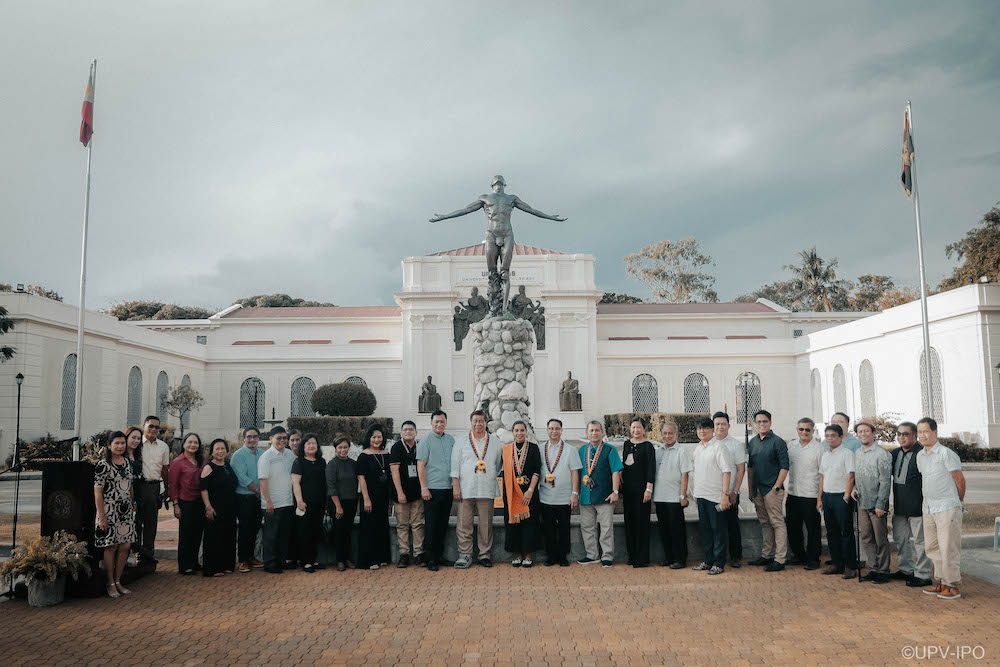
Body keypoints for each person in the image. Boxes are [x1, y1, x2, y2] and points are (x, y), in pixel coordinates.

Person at [916, 417, 966, 600]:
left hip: (947, 507)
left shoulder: (946, 454)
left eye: (925, 431)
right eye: (919, 432)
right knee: (932, 547)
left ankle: (952, 586)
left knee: (948, 548)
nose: (922, 435)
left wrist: (957, 503)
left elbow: (959, 480)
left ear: (935, 432)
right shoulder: (920, 456)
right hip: (929, 508)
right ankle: (939, 582)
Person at [451, 410, 502, 568]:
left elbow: (498, 464)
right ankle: (465, 554)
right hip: (466, 489)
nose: (478, 424)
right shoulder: (461, 441)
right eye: (475, 421)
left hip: (486, 489)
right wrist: (456, 486)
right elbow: (455, 465)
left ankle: (484, 554)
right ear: (471, 422)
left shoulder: (495, 441)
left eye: (481, 421)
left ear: (486, 423)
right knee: (464, 523)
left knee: (485, 524)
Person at [94, 431, 137, 598]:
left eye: (122, 443)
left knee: (125, 546)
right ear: (109, 446)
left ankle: (118, 581)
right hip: (109, 511)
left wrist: (132, 505)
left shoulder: (127, 462)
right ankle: (110, 583)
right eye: (116, 443)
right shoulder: (103, 465)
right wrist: (101, 516)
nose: (120, 446)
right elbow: (98, 493)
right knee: (111, 546)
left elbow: (130, 485)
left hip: (125, 512)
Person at [890, 422, 933, 587]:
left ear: (914, 436)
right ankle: (905, 569)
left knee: (921, 542)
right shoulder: (894, 454)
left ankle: (922, 574)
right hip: (900, 507)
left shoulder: (922, 454)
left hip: (918, 507)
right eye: (899, 434)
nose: (902, 437)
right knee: (901, 540)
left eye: (906, 434)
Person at [747, 410, 789, 572]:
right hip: (758, 490)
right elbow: (750, 468)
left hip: (773, 490)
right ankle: (767, 555)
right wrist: (751, 490)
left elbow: (785, 467)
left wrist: (776, 488)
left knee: (777, 523)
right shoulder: (753, 442)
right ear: (755, 424)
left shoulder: (778, 442)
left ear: (770, 423)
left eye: (765, 421)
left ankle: (780, 559)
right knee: (765, 523)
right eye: (759, 422)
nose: (762, 424)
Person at [577, 421, 623, 567]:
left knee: (606, 527)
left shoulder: (610, 450)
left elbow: (616, 471)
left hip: (605, 495)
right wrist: (575, 492)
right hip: (586, 496)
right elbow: (576, 473)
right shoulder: (581, 450)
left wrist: (615, 492)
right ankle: (592, 555)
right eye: (591, 430)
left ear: (602, 432)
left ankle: (607, 556)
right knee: (587, 526)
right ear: (587, 432)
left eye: (597, 430)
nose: (594, 433)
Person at [852, 420, 892, 583]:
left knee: (880, 538)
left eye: (866, 431)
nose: (863, 434)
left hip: (877, 504)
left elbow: (885, 481)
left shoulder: (882, 454)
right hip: (862, 502)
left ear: (873, 433)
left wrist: (881, 504)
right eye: (860, 432)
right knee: (866, 536)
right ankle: (873, 567)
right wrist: (854, 488)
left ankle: (883, 570)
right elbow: (856, 475)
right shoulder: (857, 453)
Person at [537, 418, 582, 567]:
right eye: (551, 428)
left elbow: (575, 472)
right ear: (547, 430)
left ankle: (563, 556)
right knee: (548, 528)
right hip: (545, 497)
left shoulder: (570, 450)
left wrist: (574, 493)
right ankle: (551, 556)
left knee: (564, 528)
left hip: (564, 497)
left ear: (562, 431)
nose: (554, 431)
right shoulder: (540, 448)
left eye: (557, 428)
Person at [692, 417, 733, 575]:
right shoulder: (698, 448)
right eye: (700, 429)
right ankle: (708, 561)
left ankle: (719, 563)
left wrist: (725, 495)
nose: (702, 431)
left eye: (706, 428)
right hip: (701, 496)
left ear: (712, 430)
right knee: (706, 530)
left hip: (716, 496)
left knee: (719, 531)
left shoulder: (719, 447)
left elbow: (726, 472)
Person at [417, 410, 456, 571]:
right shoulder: (425, 441)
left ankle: (439, 556)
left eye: (442, 421)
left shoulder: (451, 440)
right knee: (431, 525)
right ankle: (430, 558)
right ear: (431, 423)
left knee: (442, 524)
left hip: (447, 489)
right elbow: (421, 466)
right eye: (436, 422)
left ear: (446, 422)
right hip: (432, 489)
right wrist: (424, 487)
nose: (439, 424)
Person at [817, 424, 857, 578]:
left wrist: (847, 495)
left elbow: (851, 475)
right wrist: (819, 499)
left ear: (841, 437)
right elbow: (822, 477)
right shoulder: (826, 455)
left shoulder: (847, 453)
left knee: (845, 532)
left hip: (842, 497)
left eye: (833, 435)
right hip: (827, 497)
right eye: (827, 436)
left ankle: (850, 566)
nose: (830, 439)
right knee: (831, 532)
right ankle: (837, 564)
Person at [501, 421, 542, 566]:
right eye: (516, 430)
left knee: (530, 524)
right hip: (512, 494)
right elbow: (504, 472)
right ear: (513, 432)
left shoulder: (533, 448)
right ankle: (517, 554)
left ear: (526, 432)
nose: (519, 433)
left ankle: (529, 556)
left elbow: (537, 470)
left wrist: (530, 490)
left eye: (522, 430)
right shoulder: (506, 450)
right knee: (513, 524)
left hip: (528, 493)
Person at [785, 417, 824, 570]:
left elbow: (822, 474)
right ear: (797, 430)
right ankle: (799, 556)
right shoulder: (792, 446)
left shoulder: (819, 449)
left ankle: (814, 559)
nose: (804, 432)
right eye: (801, 429)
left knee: (813, 529)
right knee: (793, 527)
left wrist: (820, 497)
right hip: (794, 493)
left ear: (813, 431)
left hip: (811, 495)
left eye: (808, 429)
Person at [653, 422, 692, 569]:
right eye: (665, 433)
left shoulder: (682, 451)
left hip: (675, 498)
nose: (667, 436)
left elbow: (685, 475)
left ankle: (680, 559)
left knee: (677, 530)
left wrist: (683, 496)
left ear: (676, 434)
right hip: (659, 497)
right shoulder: (658, 451)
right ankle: (668, 557)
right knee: (664, 530)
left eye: (670, 433)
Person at [258, 426, 295, 573]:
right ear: (270, 439)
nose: (282, 441)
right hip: (272, 503)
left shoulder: (290, 455)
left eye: (284, 438)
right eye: (278, 438)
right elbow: (263, 481)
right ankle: (270, 563)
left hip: (288, 501)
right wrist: (268, 501)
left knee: (284, 534)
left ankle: (281, 561)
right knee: (271, 535)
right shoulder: (266, 457)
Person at [712, 411, 746, 568]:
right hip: (712, 494)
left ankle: (735, 556)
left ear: (728, 426)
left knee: (732, 525)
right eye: (717, 424)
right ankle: (717, 556)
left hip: (730, 493)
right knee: (716, 526)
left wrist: (735, 491)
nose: (720, 427)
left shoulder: (735, 445)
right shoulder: (708, 443)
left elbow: (740, 469)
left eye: (723, 424)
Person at [135, 415, 170, 569]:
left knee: (151, 524)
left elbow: (164, 469)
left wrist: (166, 489)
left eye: (157, 427)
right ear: (144, 426)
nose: (154, 429)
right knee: (135, 523)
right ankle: (134, 555)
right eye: (151, 426)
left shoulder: (163, 446)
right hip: (137, 486)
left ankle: (148, 558)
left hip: (154, 487)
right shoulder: (136, 443)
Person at [169, 433, 205, 575]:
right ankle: (185, 565)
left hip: (200, 501)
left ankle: (194, 562)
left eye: (196, 442)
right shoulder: (177, 462)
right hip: (185, 502)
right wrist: (176, 504)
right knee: (186, 535)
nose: (193, 445)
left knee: (197, 533)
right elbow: (172, 485)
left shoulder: (202, 460)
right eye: (190, 442)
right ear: (184, 444)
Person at [621, 417, 656, 568]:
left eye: (639, 427)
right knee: (629, 523)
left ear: (644, 429)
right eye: (633, 427)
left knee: (642, 523)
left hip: (642, 491)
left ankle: (642, 558)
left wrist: (648, 489)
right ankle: (632, 556)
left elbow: (651, 469)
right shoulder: (626, 444)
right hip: (628, 491)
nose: (636, 430)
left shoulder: (648, 446)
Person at [200, 438, 237, 577]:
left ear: (226, 451)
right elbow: (203, 489)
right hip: (215, 508)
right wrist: (208, 506)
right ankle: (213, 568)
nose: (220, 451)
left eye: (223, 449)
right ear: (212, 452)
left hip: (229, 508)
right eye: (217, 449)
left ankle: (227, 565)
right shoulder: (209, 467)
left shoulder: (227, 465)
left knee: (228, 536)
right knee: (214, 538)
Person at [357, 423, 392, 570]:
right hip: (369, 497)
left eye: (379, 437)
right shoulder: (363, 456)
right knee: (369, 528)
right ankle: (370, 560)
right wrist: (366, 498)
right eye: (374, 437)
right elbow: (361, 478)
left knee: (382, 526)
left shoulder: (386, 454)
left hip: (383, 497)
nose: (377, 440)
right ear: (369, 438)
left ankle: (382, 557)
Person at [389, 420, 424, 567]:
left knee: (417, 524)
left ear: (416, 432)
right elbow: (394, 471)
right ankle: (404, 554)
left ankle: (419, 554)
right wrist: (399, 493)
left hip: (417, 492)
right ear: (401, 433)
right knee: (402, 525)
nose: (408, 432)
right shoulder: (396, 447)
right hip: (401, 493)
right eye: (405, 430)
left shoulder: (420, 446)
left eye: (411, 429)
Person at [230, 427, 265, 573]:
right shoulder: (238, 455)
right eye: (249, 436)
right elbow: (242, 477)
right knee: (245, 529)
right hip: (244, 497)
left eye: (255, 436)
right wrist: (258, 491)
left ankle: (251, 557)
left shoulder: (263, 454)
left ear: (258, 438)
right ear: (243, 438)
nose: (252, 439)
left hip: (259, 498)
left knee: (255, 528)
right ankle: (243, 560)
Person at [292, 433, 328, 572]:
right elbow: (296, 483)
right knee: (304, 532)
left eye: (314, 443)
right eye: (308, 444)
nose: (311, 446)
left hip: (319, 502)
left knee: (315, 531)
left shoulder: (321, 461)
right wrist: (300, 501)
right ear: (303, 446)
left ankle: (313, 560)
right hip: (305, 504)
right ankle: (306, 561)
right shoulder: (299, 462)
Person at [327, 436, 358, 571]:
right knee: (339, 532)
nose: (343, 450)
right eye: (340, 447)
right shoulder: (332, 465)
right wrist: (338, 506)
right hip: (337, 502)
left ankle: (347, 558)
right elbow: (331, 486)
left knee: (348, 531)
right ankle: (339, 560)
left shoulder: (353, 463)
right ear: (335, 449)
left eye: (345, 447)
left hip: (351, 500)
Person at [286, 429, 303, 566]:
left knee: (301, 528)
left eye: (297, 439)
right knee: (290, 528)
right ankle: (291, 557)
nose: (295, 442)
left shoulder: (306, 456)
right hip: (287, 497)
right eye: (292, 440)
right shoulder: (285, 456)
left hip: (304, 497)